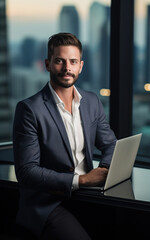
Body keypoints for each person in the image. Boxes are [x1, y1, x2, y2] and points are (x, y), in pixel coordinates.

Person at [13, 32, 117, 240]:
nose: (67, 68)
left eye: (73, 62)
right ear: (48, 64)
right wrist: (82, 180)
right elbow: (26, 172)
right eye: (59, 61)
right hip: (47, 203)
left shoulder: (91, 101)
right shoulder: (29, 109)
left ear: (81, 66)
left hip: (87, 197)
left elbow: (111, 143)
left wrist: (105, 168)